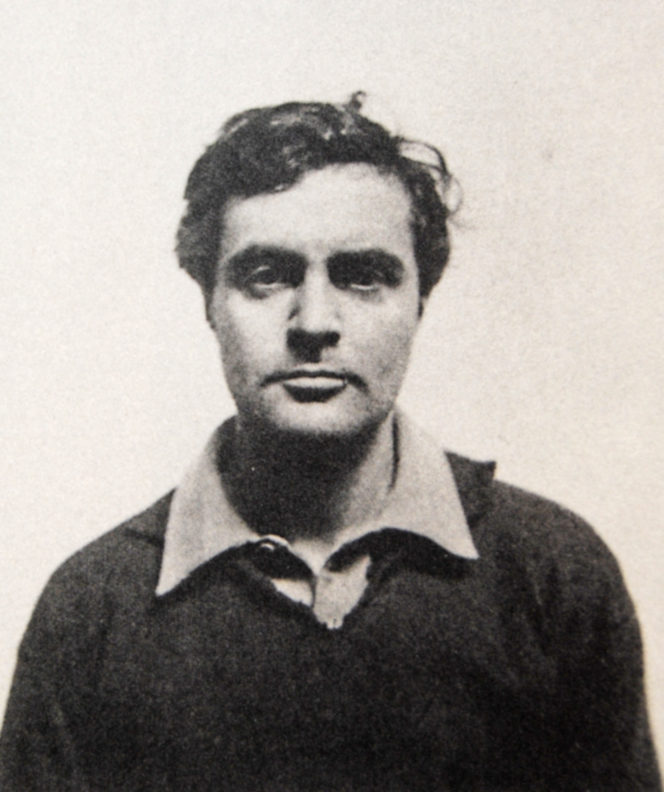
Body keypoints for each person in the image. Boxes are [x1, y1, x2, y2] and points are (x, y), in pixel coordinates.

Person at [0, 94, 660, 791]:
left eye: (362, 275)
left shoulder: (554, 578)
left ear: (420, 303)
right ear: (209, 304)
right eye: (266, 276)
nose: (314, 322)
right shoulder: (93, 609)